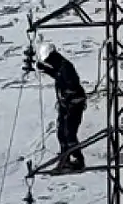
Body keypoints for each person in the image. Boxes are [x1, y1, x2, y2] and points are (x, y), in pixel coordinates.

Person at [35, 42, 87, 172]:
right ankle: (66, 159)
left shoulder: (66, 67)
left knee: (69, 133)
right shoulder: (60, 66)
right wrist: (44, 68)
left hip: (74, 105)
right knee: (62, 133)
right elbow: (56, 74)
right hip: (67, 105)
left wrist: (67, 97)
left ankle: (77, 160)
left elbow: (72, 84)